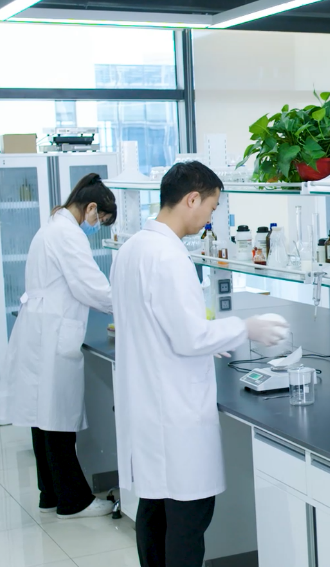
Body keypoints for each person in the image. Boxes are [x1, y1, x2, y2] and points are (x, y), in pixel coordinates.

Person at [110, 161, 288, 567]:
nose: (210, 217)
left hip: (147, 403)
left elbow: (153, 323)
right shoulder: (170, 258)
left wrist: (213, 337)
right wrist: (244, 328)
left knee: (154, 514)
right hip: (175, 412)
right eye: (211, 206)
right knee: (188, 521)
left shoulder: (132, 249)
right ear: (192, 199)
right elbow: (189, 337)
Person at [0, 173, 118, 519]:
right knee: (58, 420)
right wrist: (129, 302)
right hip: (51, 332)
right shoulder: (68, 234)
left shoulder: (53, 226)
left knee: (44, 418)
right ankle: (73, 500)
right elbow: (91, 287)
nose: (97, 226)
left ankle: (50, 493)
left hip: (41, 328)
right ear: (91, 208)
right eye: (101, 220)